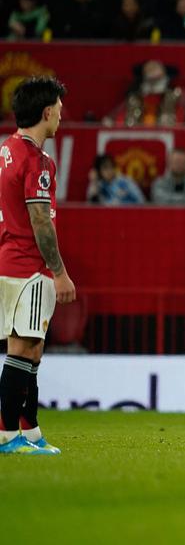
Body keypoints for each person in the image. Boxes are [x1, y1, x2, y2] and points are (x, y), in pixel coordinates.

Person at [0, 77, 74, 455]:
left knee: (32, 349)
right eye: (58, 109)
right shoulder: (36, 161)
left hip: (9, 260)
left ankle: (29, 430)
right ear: (46, 112)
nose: (61, 115)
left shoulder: (5, 151)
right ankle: (6, 435)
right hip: (28, 266)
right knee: (22, 348)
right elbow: (41, 221)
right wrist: (59, 273)